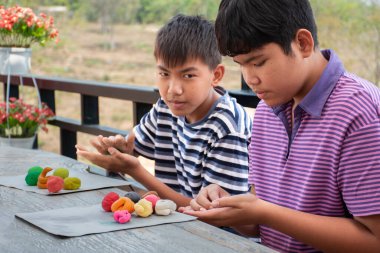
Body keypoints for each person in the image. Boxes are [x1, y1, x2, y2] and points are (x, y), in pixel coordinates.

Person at [181, 0, 380, 252]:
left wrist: (266, 213)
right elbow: (259, 223)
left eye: (259, 62)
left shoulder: (358, 113)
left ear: (303, 43)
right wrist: (228, 205)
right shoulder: (266, 111)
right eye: (241, 64)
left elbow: (374, 240)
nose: (250, 78)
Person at [76, 14, 252, 208]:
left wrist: (136, 171)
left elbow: (216, 214)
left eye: (188, 75)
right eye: (164, 74)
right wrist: (121, 151)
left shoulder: (227, 128)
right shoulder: (166, 108)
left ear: (216, 75)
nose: (173, 89)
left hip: (217, 235)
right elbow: (133, 146)